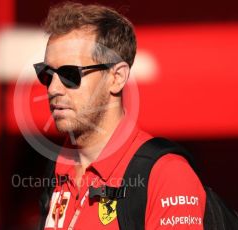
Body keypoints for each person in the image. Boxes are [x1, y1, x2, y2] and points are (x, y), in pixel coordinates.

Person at [34, 2, 205, 229]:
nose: (53, 88)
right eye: (46, 74)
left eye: (69, 74)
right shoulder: (57, 168)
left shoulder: (166, 174)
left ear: (117, 77)